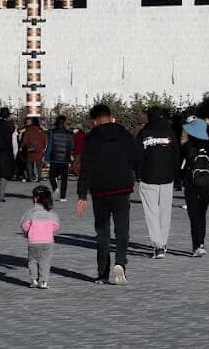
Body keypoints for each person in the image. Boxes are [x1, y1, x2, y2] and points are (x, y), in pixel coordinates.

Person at [76, 102, 140, 285]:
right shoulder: (124, 134)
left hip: (100, 191)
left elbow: (85, 168)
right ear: (110, 116)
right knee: (122, 230)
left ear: (94, 121)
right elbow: (136, 157)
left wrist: (82, 195)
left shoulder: (91, 138)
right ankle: (120, 263)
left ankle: (103, 272)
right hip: (122, 188)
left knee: (102, 232)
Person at [135, 107, 179, 259]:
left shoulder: (143, 134)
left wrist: (138, 174)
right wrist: (176, 175)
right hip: (167, 178)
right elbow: (176, 155)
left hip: (148, 178)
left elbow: (137, 156)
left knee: (151, 212)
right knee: (165, 211)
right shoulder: (170, 133)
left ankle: (158, 246)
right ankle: (163, 242)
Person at [180, 116, 209, 257]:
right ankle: (201, 243)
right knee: (202, 215)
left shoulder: (187, 147)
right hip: (206, 185)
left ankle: (196, 245)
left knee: (193, 216)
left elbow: (179, 167)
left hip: (190, 184)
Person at [21, 184, 60, 289]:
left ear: (35, 198)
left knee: (32, 260)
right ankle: (43, 281)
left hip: (33, 241)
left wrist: (28, 232)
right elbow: (56, 226)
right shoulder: (51, 213)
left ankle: (34, 280)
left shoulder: (30, 212)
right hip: (47, 241)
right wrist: (48, 230)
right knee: (45, 262)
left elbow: (24, 225)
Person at [45, 115, 75, 202]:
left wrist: (46, 156)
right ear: (64, 123)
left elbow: (49, 145)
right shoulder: (69, 133)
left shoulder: (52, 132)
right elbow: (72, 146)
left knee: (51, 176)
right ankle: (63, 197)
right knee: (64, 178)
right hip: (65, 158)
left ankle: (55, 189)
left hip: (54, 158)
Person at [0, 108, 15, 199]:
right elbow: (9, 139)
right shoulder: (9, 125)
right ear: (8, 116)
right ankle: (1, 195)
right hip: (5, 152)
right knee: (4, 173)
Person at [20, 117, 47, 182]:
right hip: (39, 149)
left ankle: (30, 177)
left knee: (29, 163)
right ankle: (39, 177)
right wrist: (43, 147)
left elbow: (25, 139)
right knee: (39, 164)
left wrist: (21, 146)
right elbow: (45, 140)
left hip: (31, 148)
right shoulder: (41, 129)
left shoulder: (29, 129)